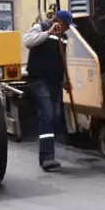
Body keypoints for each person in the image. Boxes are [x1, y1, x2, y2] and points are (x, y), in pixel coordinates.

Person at [23, 10, 74, 171]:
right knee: (47, 114)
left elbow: (62, 60)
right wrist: (48, 32)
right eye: (66, 25)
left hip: (55, 82)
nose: (67, 29)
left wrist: (66, 80)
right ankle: (46, 158)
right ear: (58, 21)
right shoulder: (40, 27)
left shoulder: (64, 38)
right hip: (39, 80)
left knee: (56, 117)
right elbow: (28, 41)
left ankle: (50, 154)